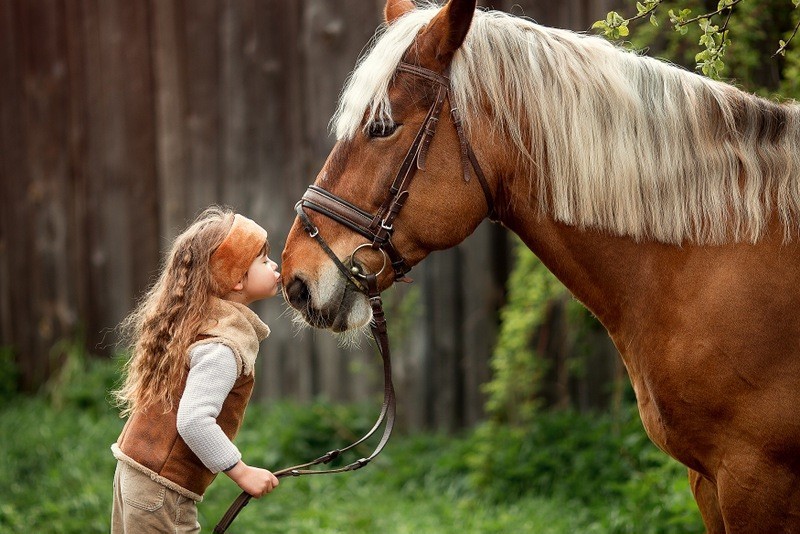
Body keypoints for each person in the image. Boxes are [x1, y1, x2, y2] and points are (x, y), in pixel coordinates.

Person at [110, 206, 281, 533]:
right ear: (235, 279)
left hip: (139, 476)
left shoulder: (199, 322)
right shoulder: (221, 346)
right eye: (263, 260)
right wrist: (241, 471)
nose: (274, 265)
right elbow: (194, 420)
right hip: (160, 490)